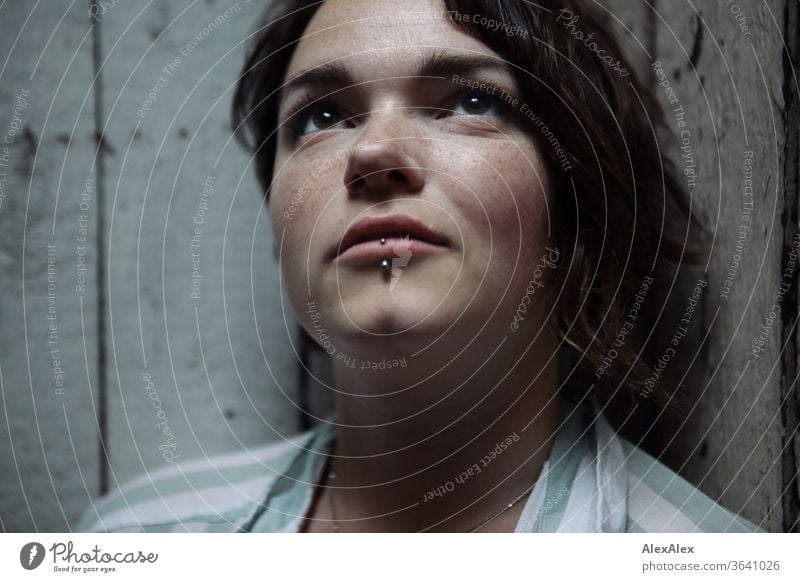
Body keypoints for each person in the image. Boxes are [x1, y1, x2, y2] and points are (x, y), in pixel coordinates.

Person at [76, 0, 764, 533]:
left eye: (472, 100)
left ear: (575, 197)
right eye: (320, 116)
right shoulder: (135, 538)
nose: (373, 151)